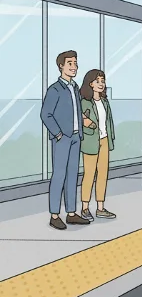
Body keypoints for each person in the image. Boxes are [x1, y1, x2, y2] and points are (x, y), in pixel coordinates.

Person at [40, 50, 91, 230]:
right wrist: (58, 134)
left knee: (72, 176)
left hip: (76, 137)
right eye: (70, 63)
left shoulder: (75, 88)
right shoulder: (55, 89)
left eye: (75, 63)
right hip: (63, 139)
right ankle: (54, 215)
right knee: (59, 175)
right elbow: (45, 114)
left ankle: (71, 213)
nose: (74, 66)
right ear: (61, 66)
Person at [78, 69, 116, 220]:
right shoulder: (84, 102)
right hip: (90, 142)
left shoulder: (105, 101)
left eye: (103, 81)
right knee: (89, 175)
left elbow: (109, 122)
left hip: (104, 140)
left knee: (103, 175)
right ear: (90, 84)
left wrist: (111, 138)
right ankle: (85, 207)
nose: (101, 84)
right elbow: (78, 119)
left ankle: (100, 207)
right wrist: (86, 123)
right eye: (97, 81)